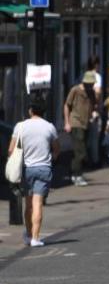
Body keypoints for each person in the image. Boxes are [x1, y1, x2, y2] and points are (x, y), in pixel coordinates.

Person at [10, 99, 59, 247]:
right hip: (44, 168)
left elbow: (11, 149)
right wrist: (51, 160)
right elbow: (56, 149)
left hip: (27, 169)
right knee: (38, 203)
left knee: (28, 204)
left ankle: (28, 234)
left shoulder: (20, 126)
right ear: (43, 111)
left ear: (30, 110)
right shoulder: (49, 127)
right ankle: (35, 238)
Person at [64, 72, 98, 186]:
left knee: (79, 149)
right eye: (89, 83)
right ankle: (77, 175)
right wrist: (67, 122)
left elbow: (94, 105)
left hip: (86, 123)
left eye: (92, 84)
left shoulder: (91, 92)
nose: (91, 86)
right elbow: (67, 105)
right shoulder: (75, 90)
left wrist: (94, 113)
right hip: (76, 122)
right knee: (80, 150)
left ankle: (74, 174)